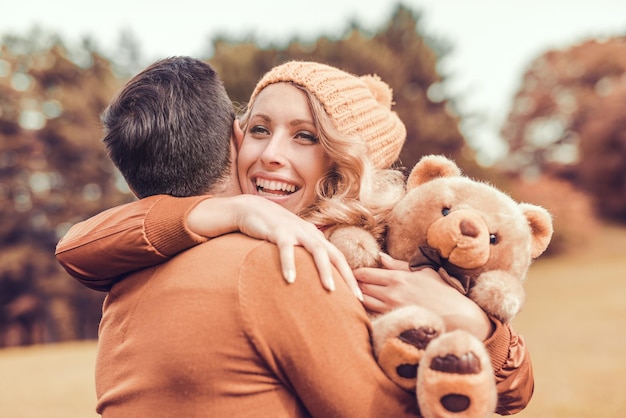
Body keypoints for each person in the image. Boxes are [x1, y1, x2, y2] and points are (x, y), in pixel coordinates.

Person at [56, 59, 533, 415]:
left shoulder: (400, 246)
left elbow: (516, 390)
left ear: (343, 162)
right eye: (260, 130)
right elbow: (78, 247)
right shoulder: (272, 257)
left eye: (305, 137)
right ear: (236, 139)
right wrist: (232, 209)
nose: (271, 155)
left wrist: (473, 324)